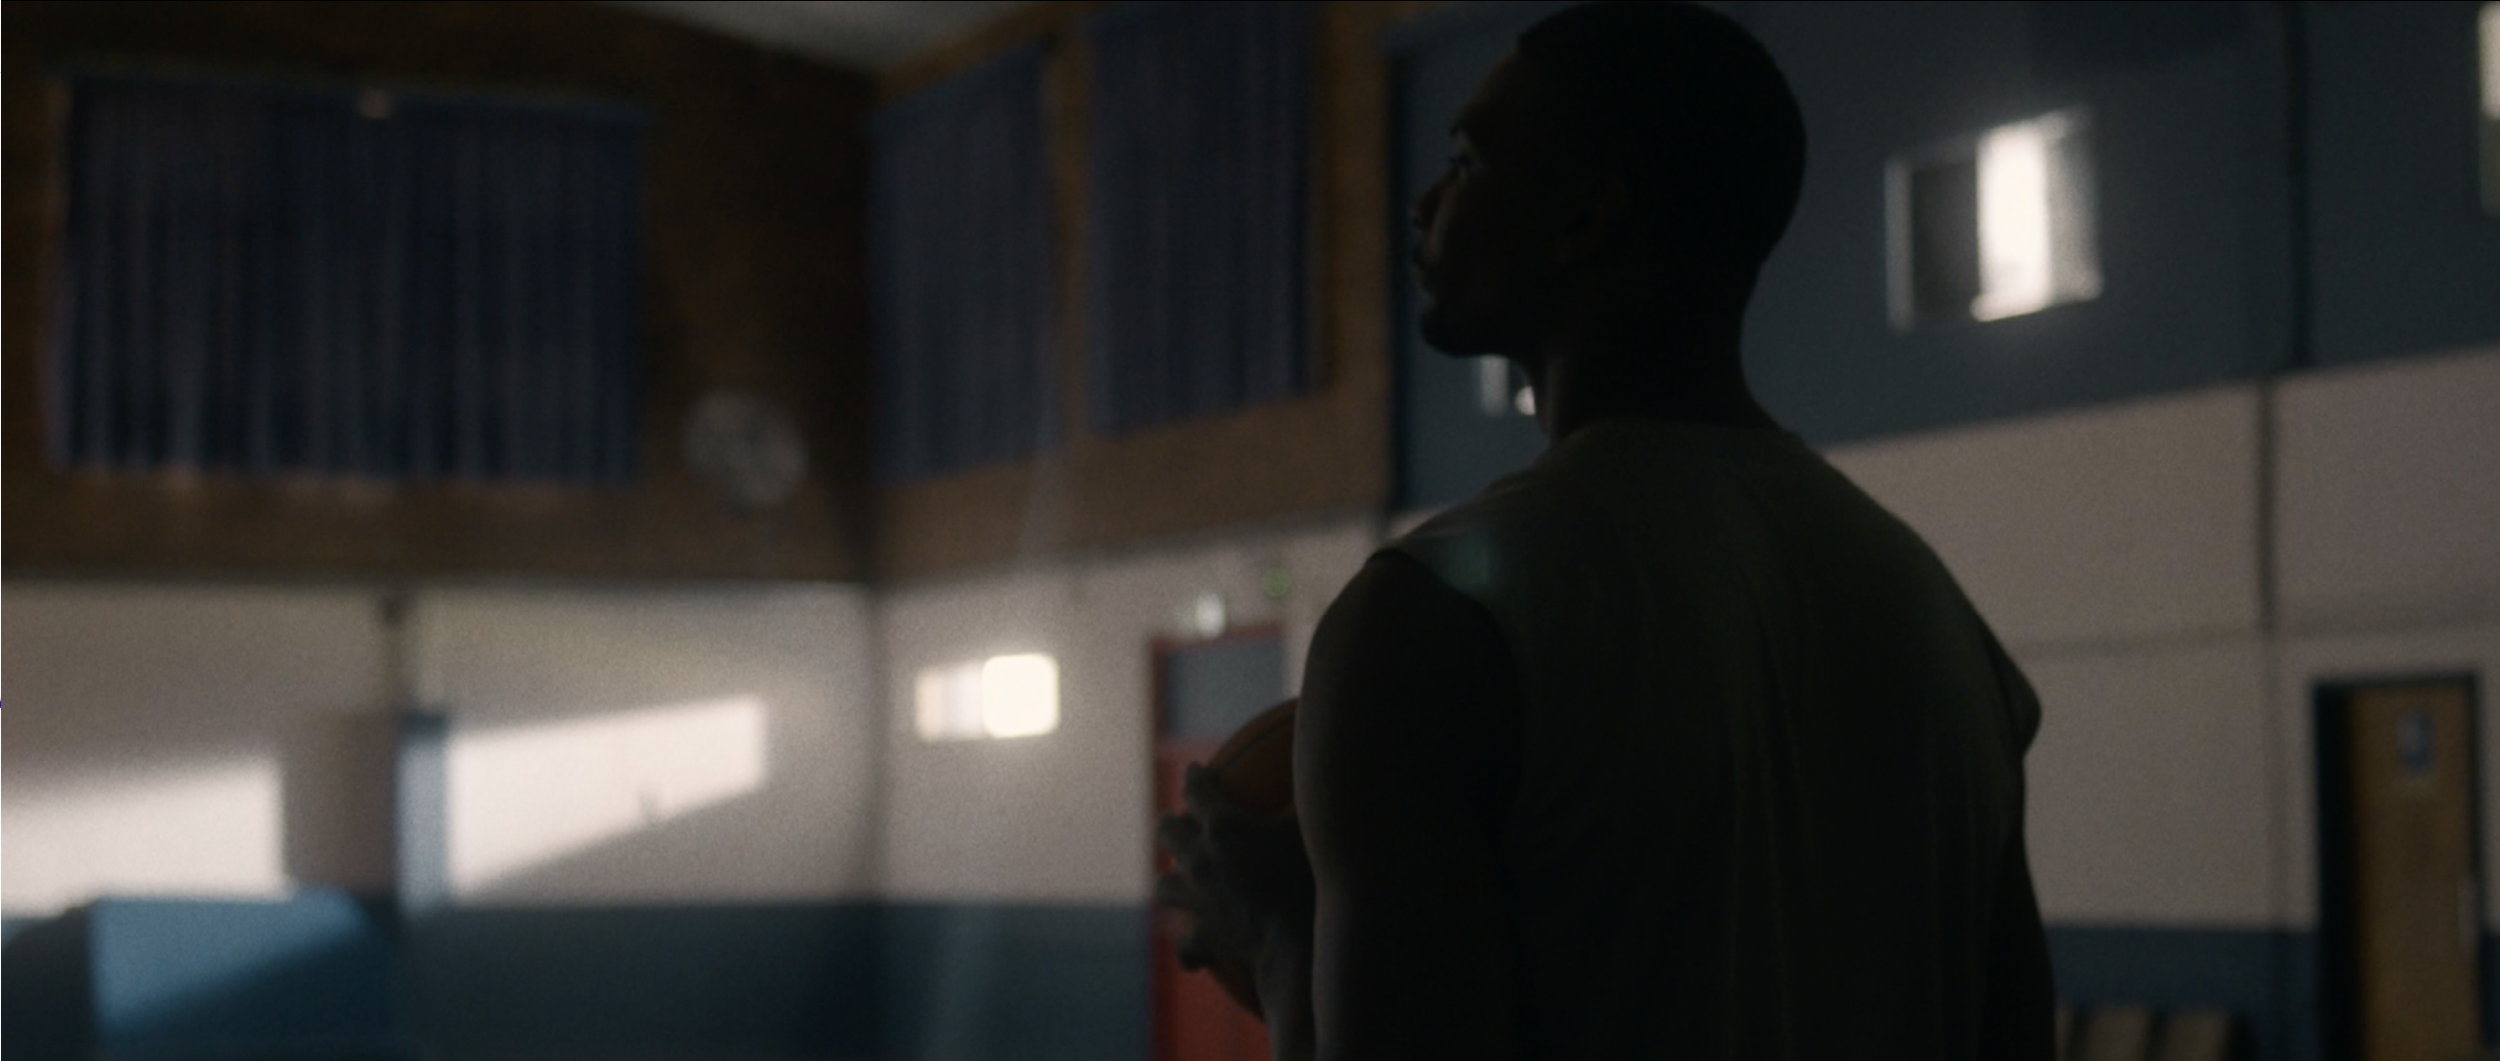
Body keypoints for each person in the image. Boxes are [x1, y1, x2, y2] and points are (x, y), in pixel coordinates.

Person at [1154, 3, 2055, 1059]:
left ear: (1584, 216)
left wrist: (1283, 938)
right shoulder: (1942, 623)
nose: (1422, 200)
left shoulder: (1428, 621)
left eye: (1467, 161)